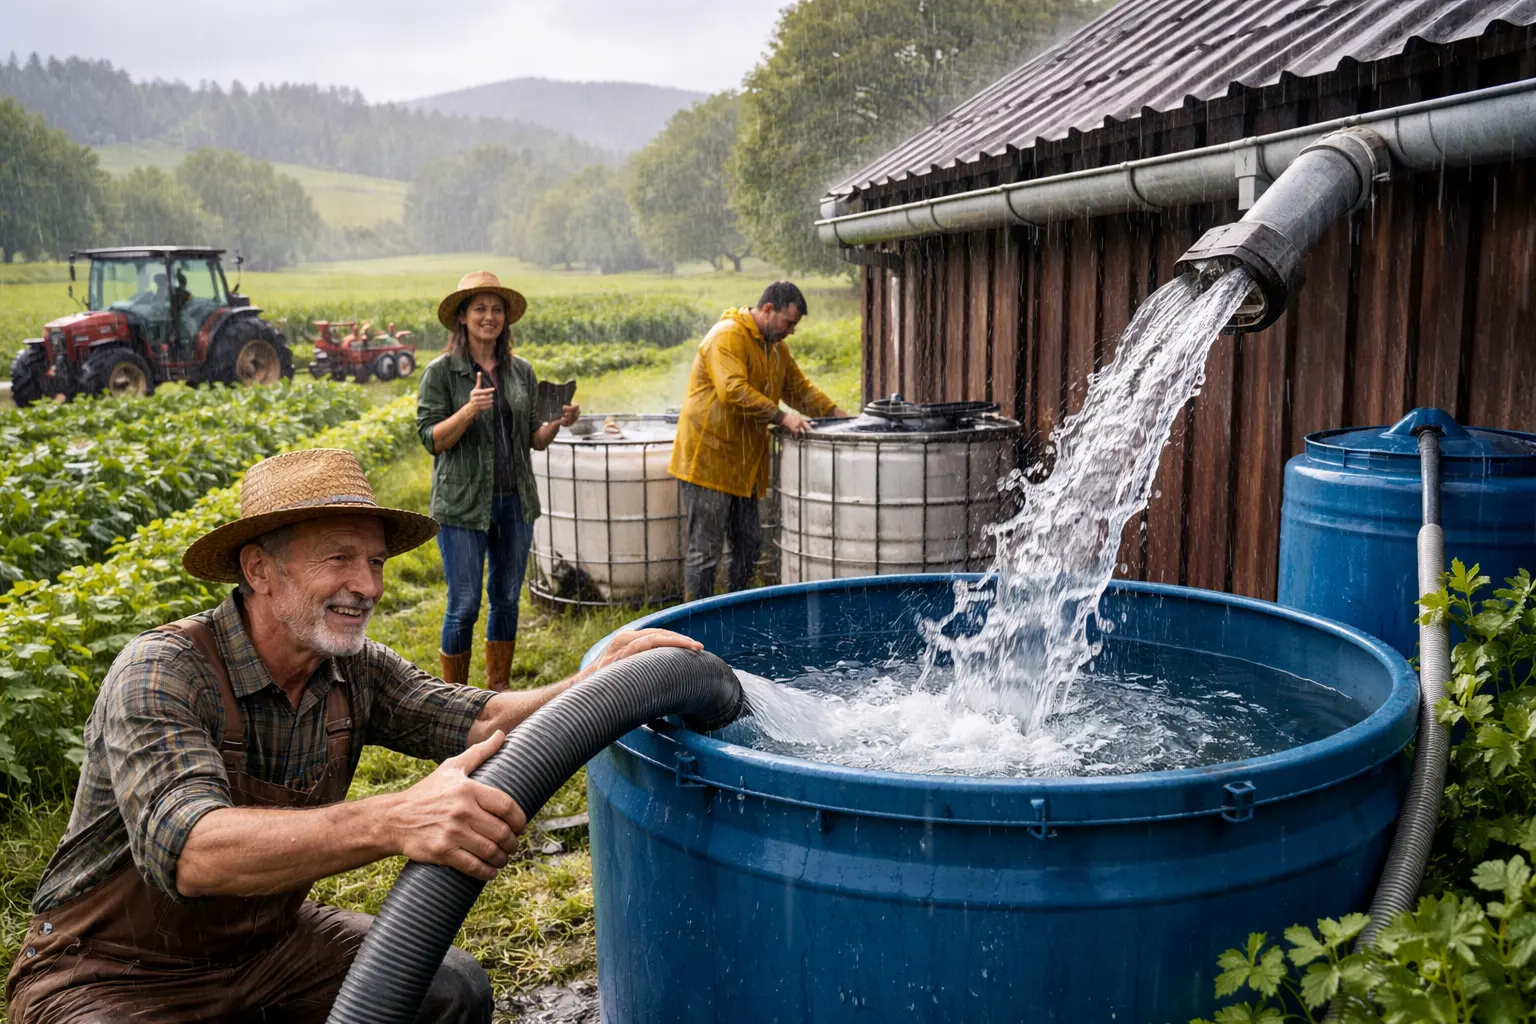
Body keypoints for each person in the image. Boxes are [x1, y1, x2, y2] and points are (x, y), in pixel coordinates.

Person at [4, 447, 700, 1024]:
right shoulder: (164, 673)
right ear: (258, 570)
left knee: (449, 993)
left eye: (375, 563)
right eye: (339, 559)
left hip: (268, 951)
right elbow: (189, 851)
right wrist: (398, 818)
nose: (366, 585)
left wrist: (595, 683)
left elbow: (479, 717)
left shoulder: (350, 668)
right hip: (111, 978)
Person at [417, 271, 579, 690]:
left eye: (496, 309)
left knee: (506, 597)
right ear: (463, 318)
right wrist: (469, 410)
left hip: (515, 503)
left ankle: (497, 690)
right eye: (480, 309)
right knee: (464, 603)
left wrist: (557, 422)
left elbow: (534, 440)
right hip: (461, 507)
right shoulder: (442, 373)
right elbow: (430, 440)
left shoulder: (520, 372)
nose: (489, 317)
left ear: (506, 319)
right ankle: (455, 696)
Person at [669, 281, 848, 600]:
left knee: (749, 546)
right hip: (708, 461)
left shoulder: (776, 349)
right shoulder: (726, 336)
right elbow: (732, 390)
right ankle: (694, 623)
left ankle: (733, 610)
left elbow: (799, 390)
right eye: (788, 322)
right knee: (705, 552)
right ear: (767, 309)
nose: (791, 331)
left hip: (744, 466)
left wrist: (838, 415)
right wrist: (782, 417)